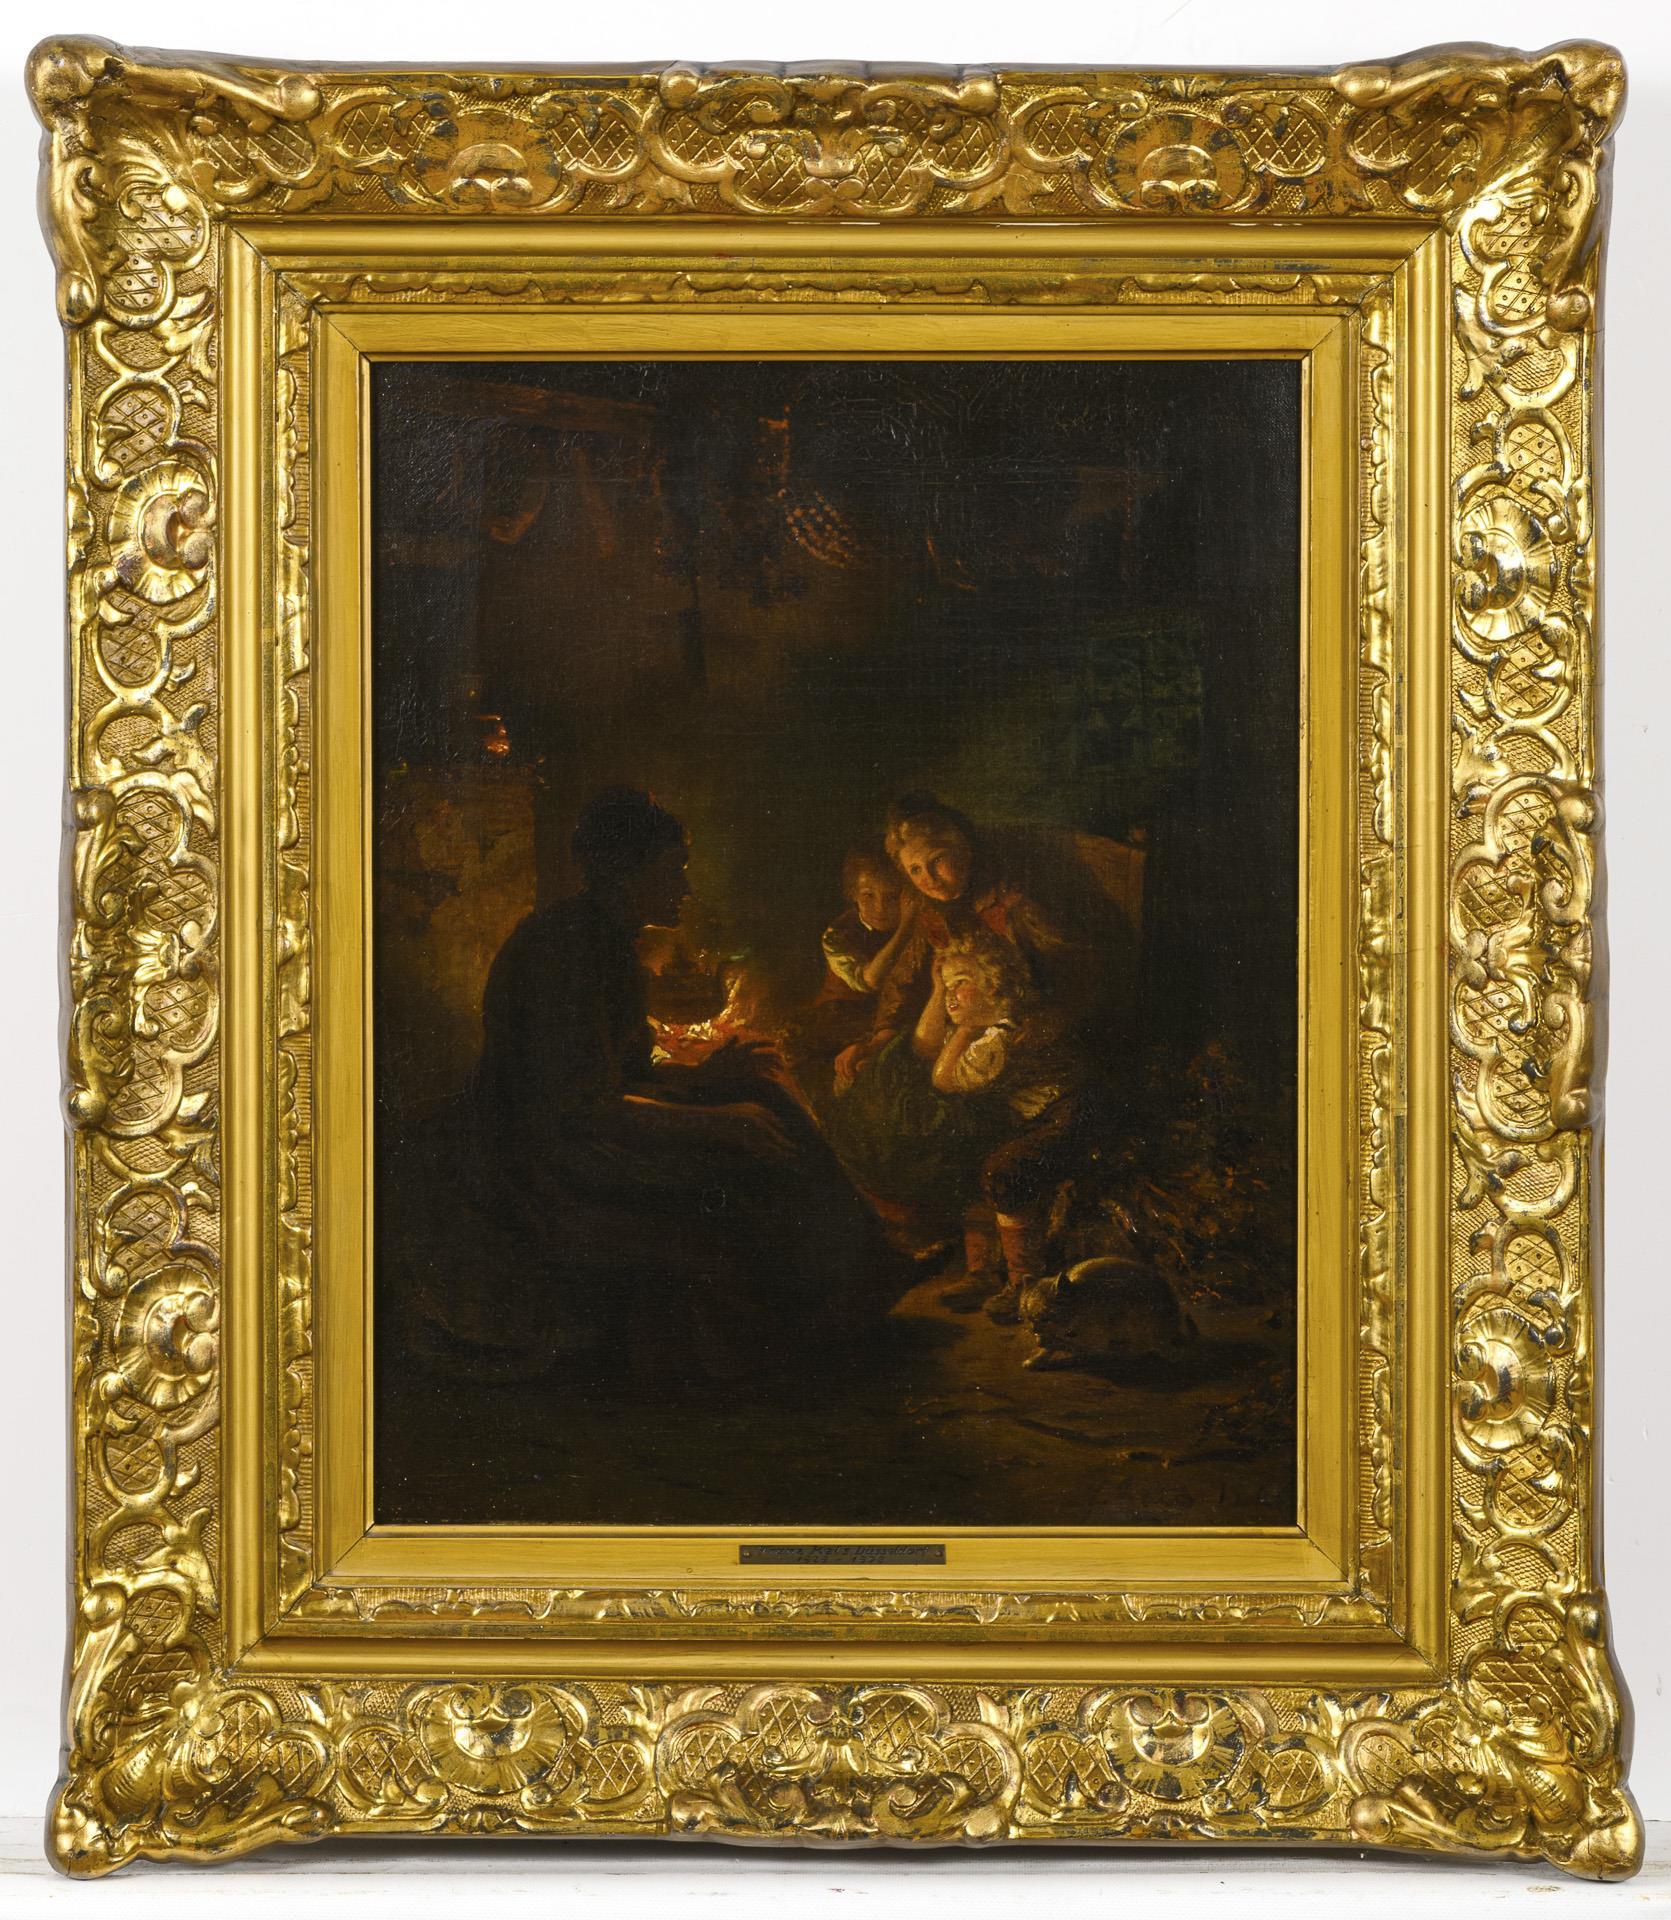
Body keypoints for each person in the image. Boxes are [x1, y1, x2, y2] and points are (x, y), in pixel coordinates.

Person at [469, 787, 905, 1375]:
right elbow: (579, 1106)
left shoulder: (606, 938)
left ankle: (865, 1278)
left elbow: (622, 1072)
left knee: (760, 1084)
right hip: (546, 1151)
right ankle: (812, 1319)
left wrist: (705, 1077)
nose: (686, 888)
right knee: (744, 1142)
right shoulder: (569, 948)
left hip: (588, 1120)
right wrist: (717, 1122)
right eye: (673, 870)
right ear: (628, 873)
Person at [923, 930, 1108, 1320]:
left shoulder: (1004, 1036)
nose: (950, 996)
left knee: (1004, 1172)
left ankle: (1024, 1282)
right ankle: (982, 1271)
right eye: (945, 987)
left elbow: (944, 1078)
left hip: (1067, 1114)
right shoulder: (1002, 1027)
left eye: (960, 983)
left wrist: (964, 1029)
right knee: (965, 1156)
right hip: (1040, 1115)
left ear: (993, 985)